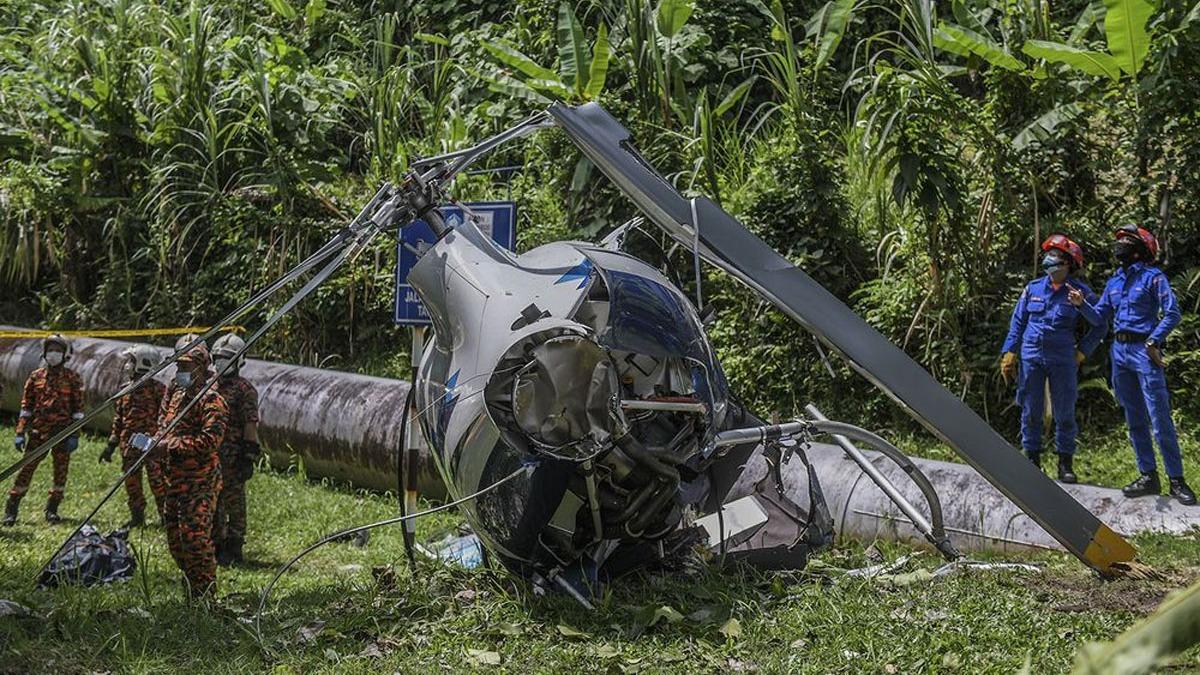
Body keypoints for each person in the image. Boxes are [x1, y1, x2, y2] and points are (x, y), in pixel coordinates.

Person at [1079, 225, 1195, 505]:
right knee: (1134, 417)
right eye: (1118, 241)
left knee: (1159, 417)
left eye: (1126, 242)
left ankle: (1177, 480)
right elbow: (1099, 318)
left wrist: (1154, 341)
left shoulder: (1153, 278)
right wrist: (1081, 304)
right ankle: (1148, 475)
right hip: (1119, 351)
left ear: (1141, 249)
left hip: (1143, 350)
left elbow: (1173, 313)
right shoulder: (1114, 282)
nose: (1119, 246)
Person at [1000, 235, 1104, 483]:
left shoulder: (1080, 293)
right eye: (1050, 255)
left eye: (1056, 256)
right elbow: (1018, 322)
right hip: (1032, 357)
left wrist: (1083, 350)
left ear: (1068, 264)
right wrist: (1010, 352)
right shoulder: (1033, 289)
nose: (1050, 260)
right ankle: (1032, 459)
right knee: (1031, 410)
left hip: (1063, 359)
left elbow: (1100, 324)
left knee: (1064, 411)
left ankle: (1065, 463)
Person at [157, 344, 227, 598]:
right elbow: (164, 428)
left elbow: (209, 442)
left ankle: (206, 598)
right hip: (174, 481)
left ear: (200, 368)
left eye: (184, 366)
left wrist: (169, 446)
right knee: (176, 542)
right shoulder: (177, 397)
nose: (179, 371)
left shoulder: (212, 401)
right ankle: (192, 589)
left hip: (200, 483)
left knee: (195, 541)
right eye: (178, 366)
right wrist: (149, 444)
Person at [3, 334, 84, 525]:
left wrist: (74, 435)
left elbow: (79, 411)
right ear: (45, 353)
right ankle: (11, 510)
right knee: (26, 470)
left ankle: (52, 509)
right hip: (39, 433)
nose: (53, 354)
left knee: (60, 472)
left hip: (62, 434)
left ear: (65, 354)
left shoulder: (73, 378)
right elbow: (26, 408)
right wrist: (20, 432)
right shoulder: (35, 377)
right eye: (50, 350)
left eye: (57, 350)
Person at [102, 345, 167, 527]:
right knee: (132, 483)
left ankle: (166, 517)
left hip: (151, 445)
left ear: (143, 363)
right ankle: (137, 517)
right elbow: (119, 419)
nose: (128, 365)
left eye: (131, 361)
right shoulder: (125, 389)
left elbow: (166, 418)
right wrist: (111, 444)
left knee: (158, 481)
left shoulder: (159, 390)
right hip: (128, 445)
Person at [210, 333, 261, 566]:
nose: (222, 363)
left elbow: (251, 423)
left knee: (234, 502)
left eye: (227, 358)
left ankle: (235, 545)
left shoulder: (244, 390)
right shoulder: (211, 386)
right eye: (218, 358)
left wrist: (248, 456)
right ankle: (217, 543)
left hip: (233, 457)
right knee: (214, 501)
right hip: (211, 455)